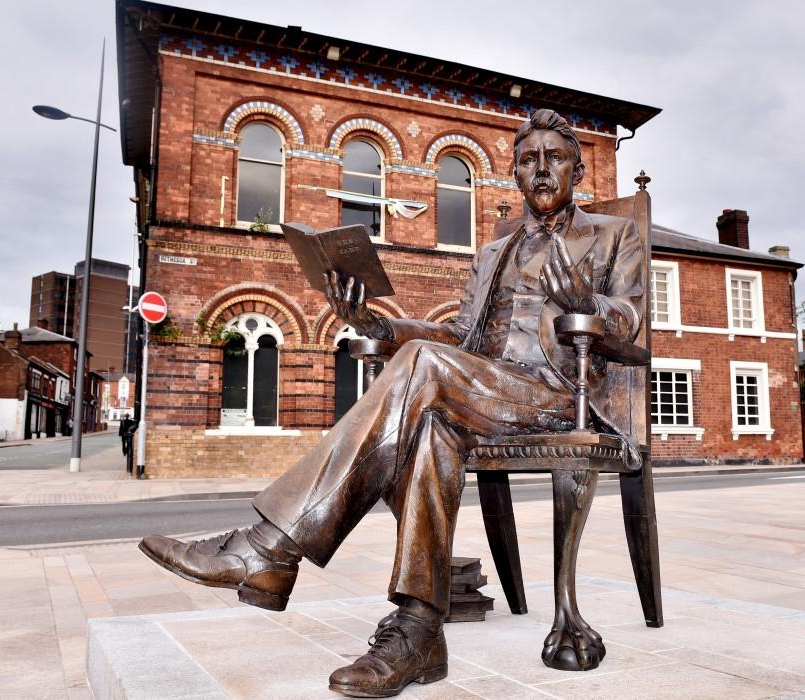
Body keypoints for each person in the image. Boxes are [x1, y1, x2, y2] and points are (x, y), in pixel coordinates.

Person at [139, 109, 644, 697]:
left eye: (553, 157)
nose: (540, 168)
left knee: (425, 370)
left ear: (578, 168)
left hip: (558, 392)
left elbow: (629, 321)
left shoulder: (613, 235)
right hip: (483, 387)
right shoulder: (492, 254)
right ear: (514, 172)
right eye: (528, 159)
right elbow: (459, 338)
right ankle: (419, 630)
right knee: (430, 423)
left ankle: (267, 548)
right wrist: (370, 319)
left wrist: (583, 298)